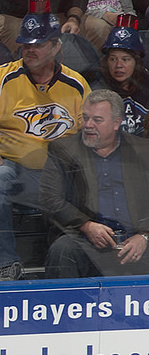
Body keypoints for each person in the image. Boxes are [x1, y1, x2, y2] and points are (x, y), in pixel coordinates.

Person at [0, 6, 90, 281]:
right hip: (19, 174)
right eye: (25, 44)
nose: (29, 50)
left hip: (64, 176)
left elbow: (92, 131)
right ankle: (8, 264)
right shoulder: (3, 76)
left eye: (38, 44)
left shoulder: (76, 84)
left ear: (56, 47)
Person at [40, 89, 149, 279]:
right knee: (62, 250)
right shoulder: (64, 150)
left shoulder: (143, 151)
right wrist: (86, 225)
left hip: (136, 238)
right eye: (85, 118)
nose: (88, 125)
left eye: (97, 120)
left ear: (116, 123)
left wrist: (144, 235)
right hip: (86, 239)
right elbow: (49, 199)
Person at [92, 19, 149, 136]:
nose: (118, 65)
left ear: (136, 62)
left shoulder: (146, 84)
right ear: (106, 62)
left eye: (125, 59)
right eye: (113, 59)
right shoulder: (97, 90)